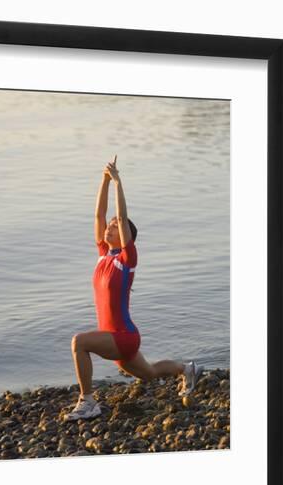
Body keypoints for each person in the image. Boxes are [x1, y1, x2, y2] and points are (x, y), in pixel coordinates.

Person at [64, 155, 203, 421]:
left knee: (79, 342)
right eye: (111, 225)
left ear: (126, 234)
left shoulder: (127, 260)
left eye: (116, 226)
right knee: (149, 373)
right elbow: (98, 214)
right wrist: (103, 181)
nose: (110, 227)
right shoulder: (104, 255)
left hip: (123, 337)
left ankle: (88, 402)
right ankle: (187, 369)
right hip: (116, 338)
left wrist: (118, 182)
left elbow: (123, 215)